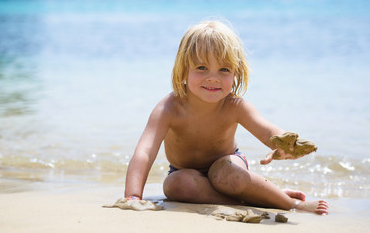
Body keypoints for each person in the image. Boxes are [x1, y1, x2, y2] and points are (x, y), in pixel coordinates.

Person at [124, 20, 329, 215]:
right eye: (202, 67)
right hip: (184, 172)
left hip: (229, 166)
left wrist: (286, 145)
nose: (213, 77)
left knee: (226, 175)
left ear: (236, 73)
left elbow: (269, 133)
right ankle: (259, 199)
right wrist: (133, 196)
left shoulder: (234, 106)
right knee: (175, 185)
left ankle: (290, 203)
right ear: (183, 68)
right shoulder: (169, 108)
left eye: (224, 69)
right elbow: (145, 152)